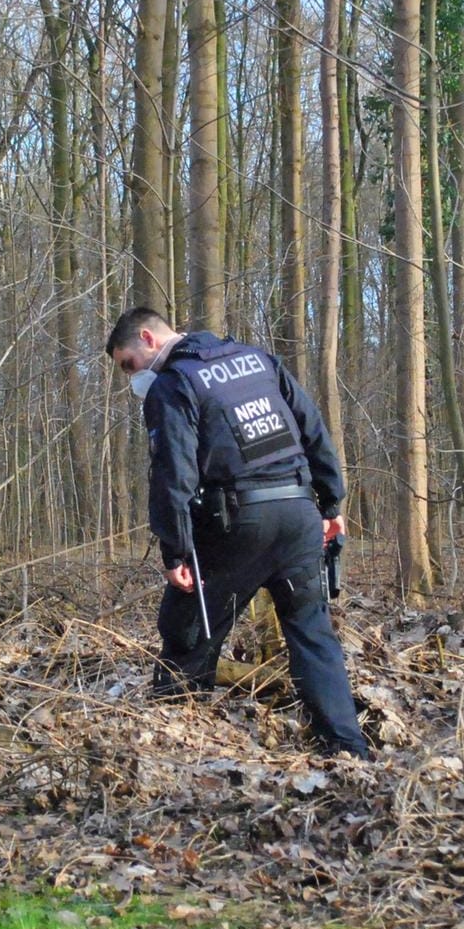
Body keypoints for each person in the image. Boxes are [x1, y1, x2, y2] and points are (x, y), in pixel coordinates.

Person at [105, 308, 369, 758]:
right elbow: (312, 429)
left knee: (187, 627)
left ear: (148, 339)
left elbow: (173, 475)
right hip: (300, 513)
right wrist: (331, 502)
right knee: (312, 633)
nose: (131, 377)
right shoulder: (258, 361)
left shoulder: (173, 384)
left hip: (237, 522)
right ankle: (346, 748)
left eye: (128, 364)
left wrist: (176, 553)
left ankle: (171, 748)